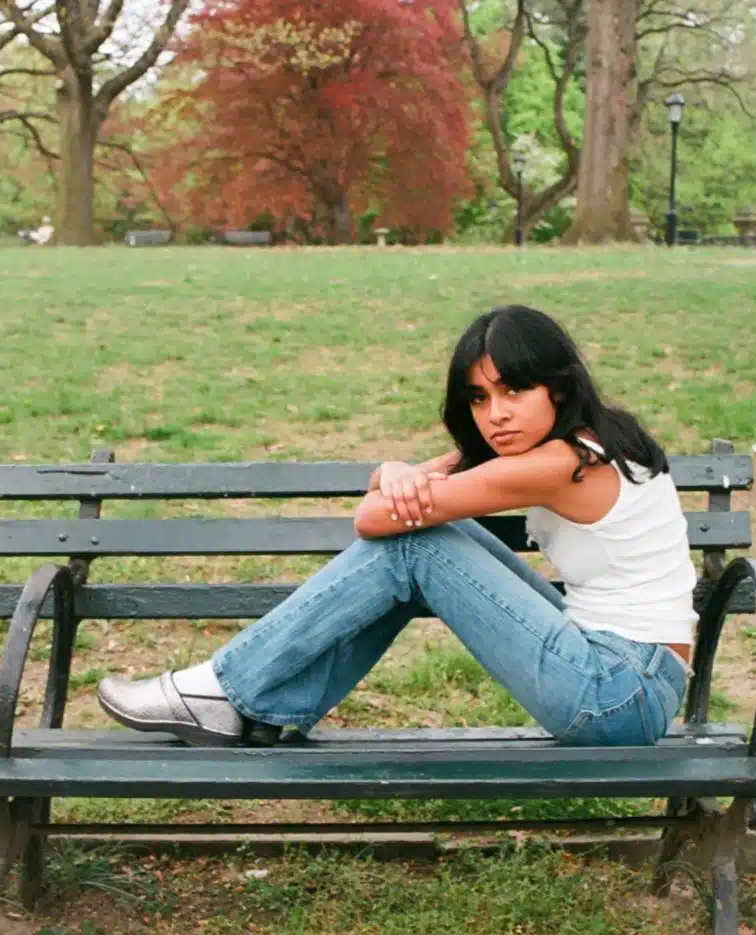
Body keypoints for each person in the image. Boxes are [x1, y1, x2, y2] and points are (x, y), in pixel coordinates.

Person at [98, 305, 696, 749]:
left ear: (558, 387)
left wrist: (394, 480)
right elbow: (405, 492)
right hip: (630, 681)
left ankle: (221, 689)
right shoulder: (590, 440)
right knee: (427, 540)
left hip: (615, 692)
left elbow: (373, 518)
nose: (496, 415)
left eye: (514, 390)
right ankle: (258, 706)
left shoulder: (561, 463)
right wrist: (394, 470)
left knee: (415, 546)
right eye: (479, 399)